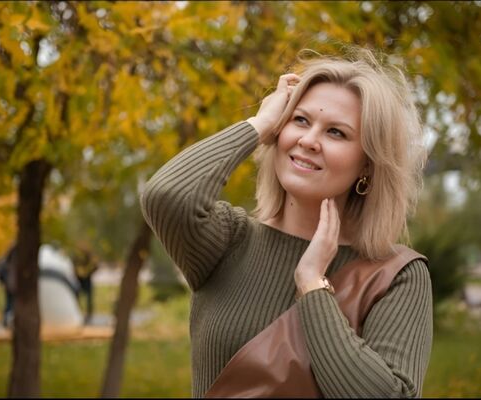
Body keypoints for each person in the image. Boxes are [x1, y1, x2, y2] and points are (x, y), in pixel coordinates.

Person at [140, 47, 432, 398]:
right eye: (300, 121)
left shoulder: (395, 276)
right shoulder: (229, 241)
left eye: (336, 132)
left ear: (367, 164)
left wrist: (312, 285)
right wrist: (260, 125)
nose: (308, 141)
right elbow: (166, 195)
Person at [0, 244, 17, 328]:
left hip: (8, 285)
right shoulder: (12, 263)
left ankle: (6, 320)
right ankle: (8, 320)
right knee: (11, 304)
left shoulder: (6, 262)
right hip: (12, 286)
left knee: (9, 303)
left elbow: (1, 275)